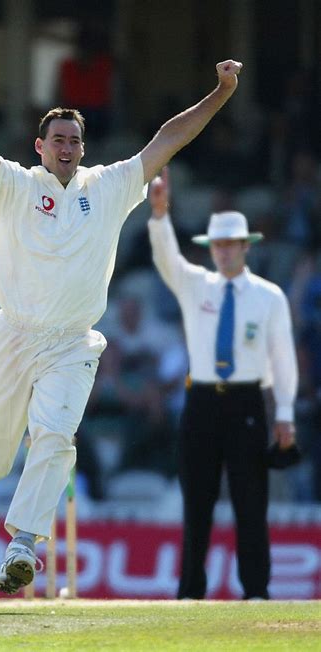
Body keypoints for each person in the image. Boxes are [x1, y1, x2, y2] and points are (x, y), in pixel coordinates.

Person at [0, 53, 243, 595]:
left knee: (55, 435)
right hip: (14, 335)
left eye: (74, 140)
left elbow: (167, 139)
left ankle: (22, 545)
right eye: (58, 140)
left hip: (72, 342)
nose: (67, 148)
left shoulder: (109, 186)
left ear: (82, 148)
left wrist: (222, 93)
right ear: (39, 147)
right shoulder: (14, 186)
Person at [147, 168, 298, 600]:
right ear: (211, 248)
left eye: (231, 243)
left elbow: (283, 359)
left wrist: (284, 414)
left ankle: (256, 592)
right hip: (202, 402)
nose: (225, 251)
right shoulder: (197, 286)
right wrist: (160, 215)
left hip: (248, 401)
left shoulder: (268, 296)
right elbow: (166, 260)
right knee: (197, 501)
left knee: (252, 502)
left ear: (245, 247)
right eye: (218, 244)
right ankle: (191, 591)